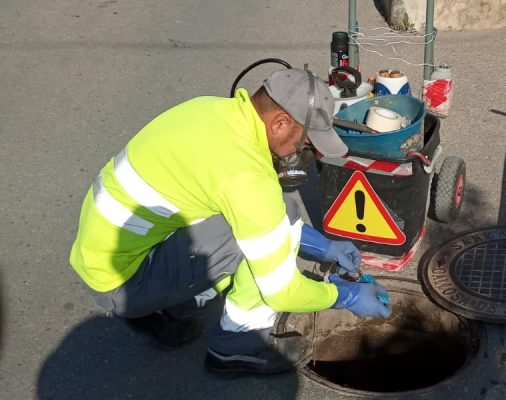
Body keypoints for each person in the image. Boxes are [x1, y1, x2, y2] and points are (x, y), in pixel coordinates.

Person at [68, 68, 392, 375]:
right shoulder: (247, 179)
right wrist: (345, 296)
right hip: (123, 283)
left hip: (102, 254)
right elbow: (281, 293)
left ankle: (160, 306)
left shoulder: (211, 110)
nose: (302, 150)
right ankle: (237, 345)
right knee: (263, 226)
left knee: (269, 213)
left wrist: (323, 247)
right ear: (279, 123)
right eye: (304, 141)